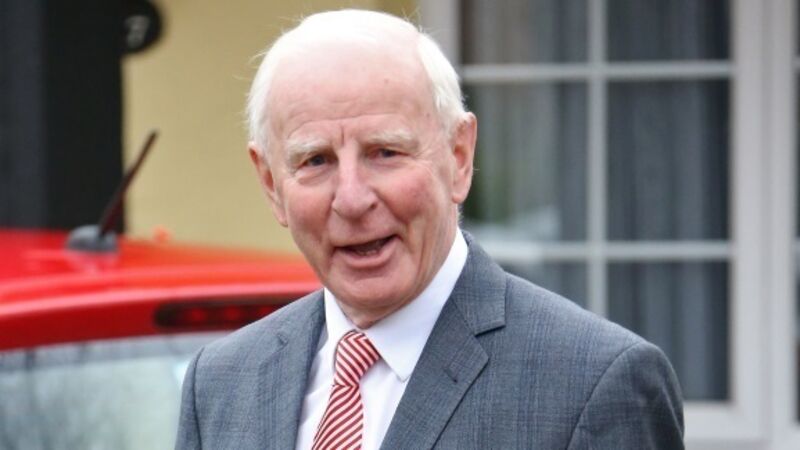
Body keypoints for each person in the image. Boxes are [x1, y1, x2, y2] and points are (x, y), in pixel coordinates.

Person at [175, 9, 684, 450]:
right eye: (315, 160)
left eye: (385, 152)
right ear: (271, 183)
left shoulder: (593, 385)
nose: (351, 199)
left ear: (459, 157)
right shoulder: (220, 385)